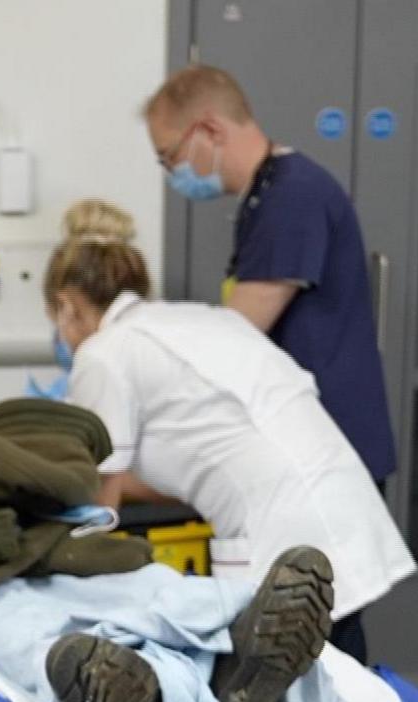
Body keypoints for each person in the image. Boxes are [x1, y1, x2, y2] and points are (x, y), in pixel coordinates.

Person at [48, 199, 413, 666]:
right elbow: (196, 458)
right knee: (344, 690)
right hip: (344, 510)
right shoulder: (201, 320)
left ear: (65, 306)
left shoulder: (104, 352)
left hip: (282, 543)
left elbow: (98, 506)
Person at [144, 65, 399, 491]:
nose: (172, 173)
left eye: (169, 156)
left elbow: (239, 331)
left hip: (330, 451)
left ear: (209, 130)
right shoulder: (267, 193)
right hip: (308, 441)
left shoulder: (293, 196)